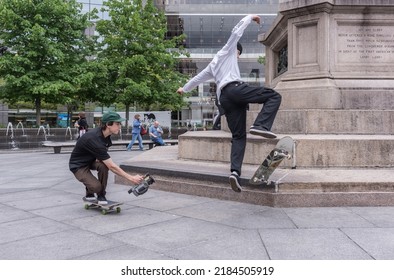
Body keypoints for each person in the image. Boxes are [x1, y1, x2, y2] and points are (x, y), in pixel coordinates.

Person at [176, 14, 282, 193]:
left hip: (225, 99)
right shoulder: (228, 50)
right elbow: (236, 33)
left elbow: (197, 78)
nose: (238, 57)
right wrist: (250, 17)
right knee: (274, 96)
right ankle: (261, 125)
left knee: (239, 137)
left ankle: (234, 172)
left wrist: (184, 89)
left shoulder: (212, 65)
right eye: (239, 54)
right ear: (237, 51)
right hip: (235, 89)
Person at [69, 111, 144, 205]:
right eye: (117, 123)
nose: (120, 126)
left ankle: (101, 195)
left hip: (91, 161)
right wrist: (131, 178)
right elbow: (112, 166)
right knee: (97, 187)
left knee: (104, 166)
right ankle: (90, 191)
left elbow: (104, 158)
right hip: (78, 165)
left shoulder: (106, 136)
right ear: (108, 124)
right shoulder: (94, 138)